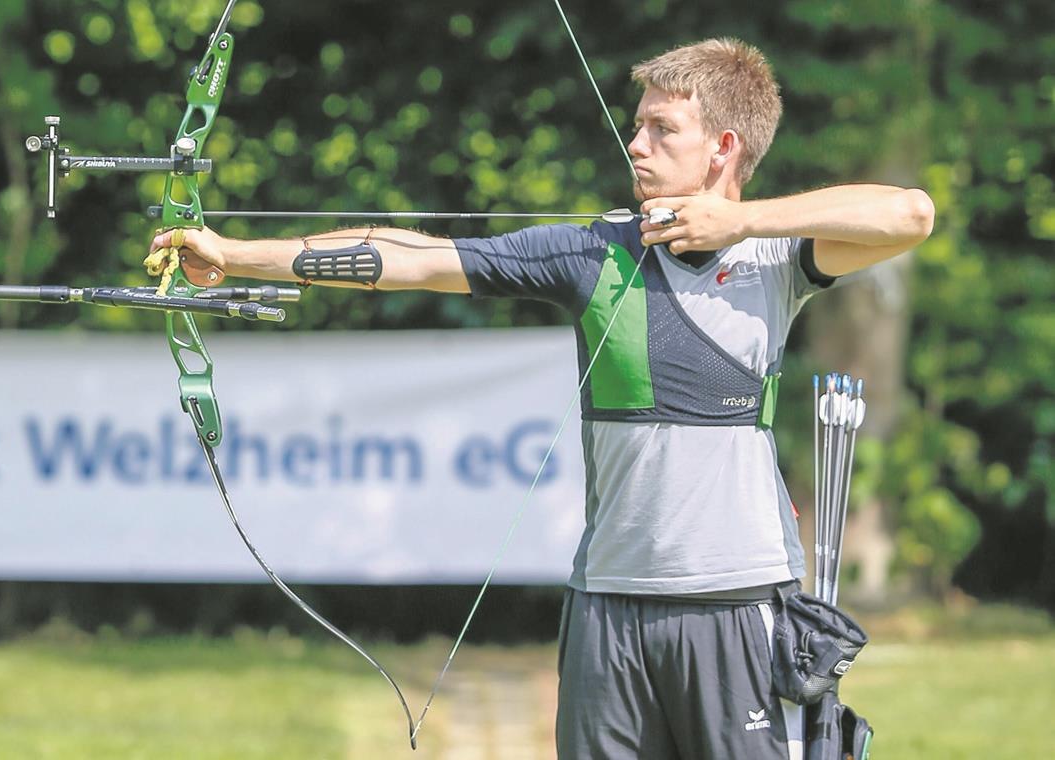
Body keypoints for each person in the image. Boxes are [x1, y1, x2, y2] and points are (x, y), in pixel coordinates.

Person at [151, 37, 932, 760]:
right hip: (607, 609)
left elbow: (909, 213)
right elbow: (416, 260)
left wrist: (738, 220)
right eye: (637, 127)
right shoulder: (595, 252)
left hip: (733, 604)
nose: (636, 145)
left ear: (723, 147)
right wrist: (237, 254)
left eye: (662, 129)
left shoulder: (776, 257)